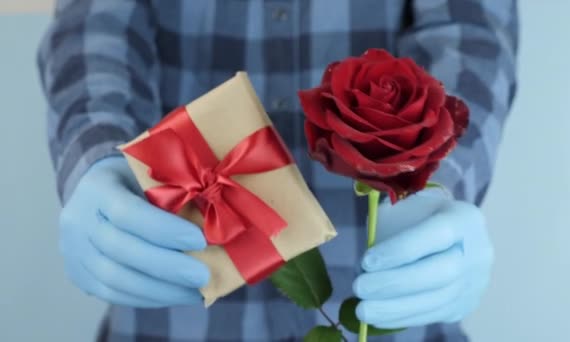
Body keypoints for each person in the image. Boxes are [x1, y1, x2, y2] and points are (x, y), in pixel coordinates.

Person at [38, 1, 518, 341]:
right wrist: (95, 161)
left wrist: (438, 176)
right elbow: (95, 28)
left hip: (400, 307)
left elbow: (470, 34)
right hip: (172, 312)